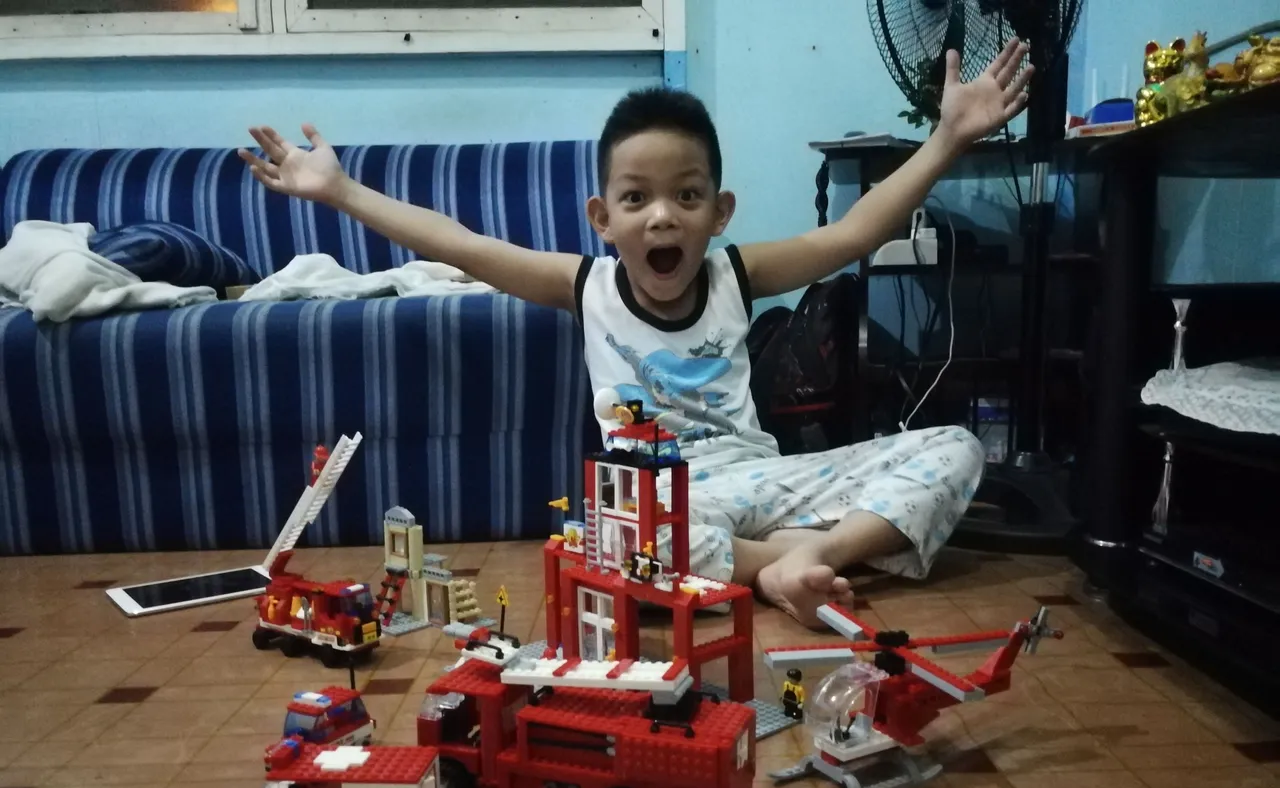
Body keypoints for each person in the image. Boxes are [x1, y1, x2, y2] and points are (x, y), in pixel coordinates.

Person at [238, 41, 1032, 628]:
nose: (662, 216)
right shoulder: (585, 286)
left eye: (687, 196)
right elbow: (458, 243)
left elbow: (854, 232)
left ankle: (802, 559)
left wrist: (947, 140)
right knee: (605, 540)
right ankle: (783, 566)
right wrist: (339, 191)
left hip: (765, 481)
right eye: (636, 198)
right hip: (663, 500)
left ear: (718, 213)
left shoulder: (735, 274)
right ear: (603, 218)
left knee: (957, 449)